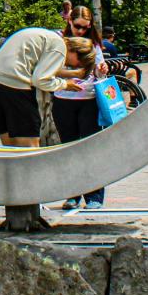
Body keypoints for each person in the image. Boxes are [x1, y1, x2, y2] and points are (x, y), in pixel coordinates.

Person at [0, 26, 91, 147]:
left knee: (9, 145)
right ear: (76, 51)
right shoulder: (60, 47)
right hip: (15, 82)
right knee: (30, 142)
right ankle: (31, 166)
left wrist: (72, 75)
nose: (73, 66)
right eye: (78, 64)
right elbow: (40, 80)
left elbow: (39, 69)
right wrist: (65, 84)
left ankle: (11, 166)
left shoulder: (47, 37)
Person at [52, 19, 108, 209]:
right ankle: (72, 194)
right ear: (70, 22)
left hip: (88, 101)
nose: (82, 30)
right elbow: (51, 70)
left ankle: (94, 196)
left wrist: (102, 71)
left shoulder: (94, 45)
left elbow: (100, 75)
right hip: (63, 100)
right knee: (68, 148)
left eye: (86, 27)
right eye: (78, 26)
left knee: (89, 148)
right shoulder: (60, 43)